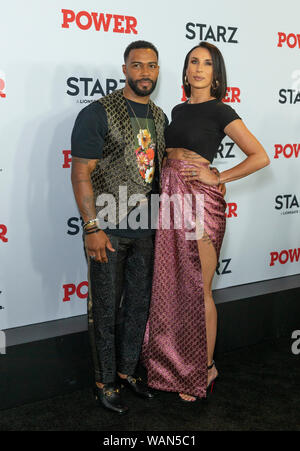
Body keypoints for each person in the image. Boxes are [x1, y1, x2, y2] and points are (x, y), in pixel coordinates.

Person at [142, 42, 270, 402]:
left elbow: (260, 156)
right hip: (169, 202)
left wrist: (219, 176)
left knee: (200, 291)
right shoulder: (177, 110)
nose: (199, 68)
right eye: (193, 62)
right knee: (172, 288)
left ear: (217, 74)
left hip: (200, 204)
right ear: (185, 71)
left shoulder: (221, 110)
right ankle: (171, 366)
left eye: (207, 63)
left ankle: (205, 368)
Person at [70, 40, 168, 414]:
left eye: (152, 66)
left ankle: (128, 372)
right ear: (125, 69)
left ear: (158, 70)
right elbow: (81, 172)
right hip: (107, 229)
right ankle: (104, 381)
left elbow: (162, 171)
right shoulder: (98, 113)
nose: (145, 72)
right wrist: (91, 226)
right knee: (106, 310)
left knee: (138, 307)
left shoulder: (160, 117)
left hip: (148, 229)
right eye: (138, 65)